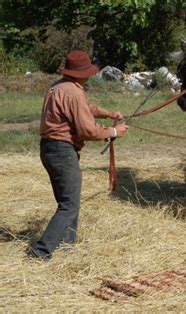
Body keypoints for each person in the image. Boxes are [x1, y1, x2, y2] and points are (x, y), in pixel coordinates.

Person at [29, 50, 129, 260]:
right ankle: (40, 252)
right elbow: (87, 130)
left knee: (66, 201)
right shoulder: (73, 92)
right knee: (69, 205)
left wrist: (108, 114)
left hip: (49, 149)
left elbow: (84, 108)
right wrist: (113, 131)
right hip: (63, 151)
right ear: (81, 73)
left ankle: (67, 246)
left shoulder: (58, 86)